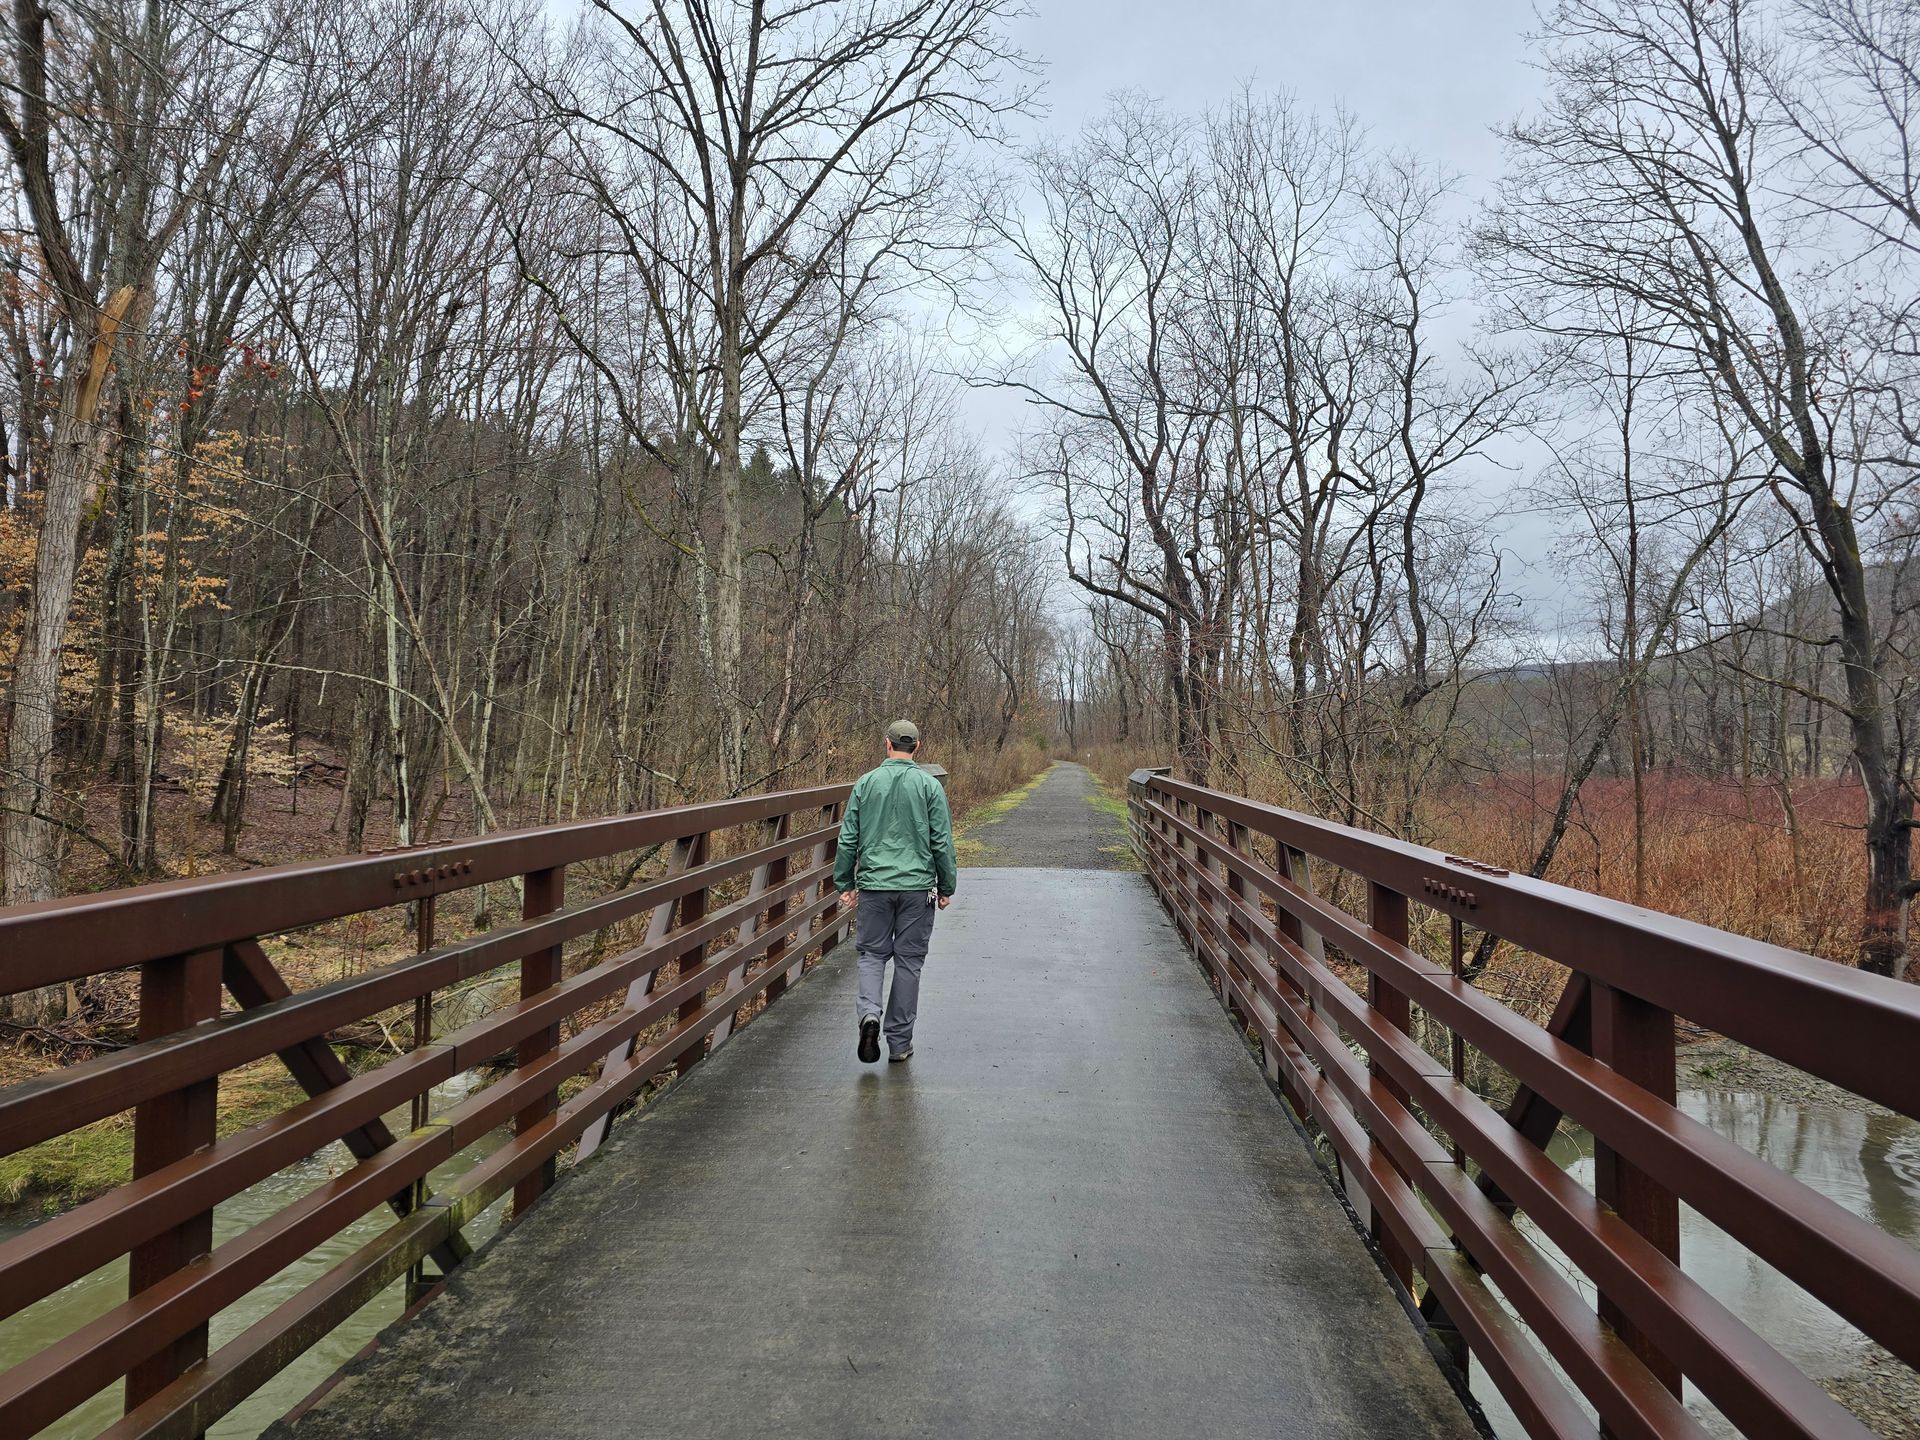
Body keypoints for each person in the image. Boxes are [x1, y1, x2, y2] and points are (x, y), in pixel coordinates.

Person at [834, 719, 958, 1064]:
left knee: (872, 955)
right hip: (918, 889)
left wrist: (845, 882)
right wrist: (946, 886)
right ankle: (900, 1043)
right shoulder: (929, 786)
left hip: (874, 886)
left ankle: (869, 1015)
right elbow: (941, 841)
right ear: (916, 747)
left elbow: (848, 838)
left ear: (887, 745)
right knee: (909, 961)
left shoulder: (866, 783)